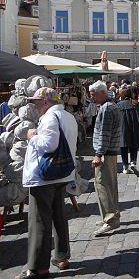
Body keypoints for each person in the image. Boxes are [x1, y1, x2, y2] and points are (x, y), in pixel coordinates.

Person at [16, 88, 77, 279]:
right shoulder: (68, 116)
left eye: (35, 102)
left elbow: (49, 144)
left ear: (45, 101)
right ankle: (61, 256)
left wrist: (32, 136)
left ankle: (37, 268)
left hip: (44, 177)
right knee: (59, 216)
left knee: (39, 221)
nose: (33, 106)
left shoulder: (50, 117)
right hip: (60, 174)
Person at [89, 81, 122, 236]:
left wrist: (98, 153)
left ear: (103, 93)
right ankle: (110, 215)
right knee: (109, 185)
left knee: (103, 185)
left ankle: (110, 220)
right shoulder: (110, 105)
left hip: (106, 153)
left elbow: (104, 133)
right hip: (109, 152)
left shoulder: (107, 107)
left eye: (93, 94)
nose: (91, 97)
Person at [117, 88, 139, 175]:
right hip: (135, 127)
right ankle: (133, 162)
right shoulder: (135, 104)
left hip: (123, 128)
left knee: (123, 147)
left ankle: (125, 167)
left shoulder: (118, 105)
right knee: (134, 144)